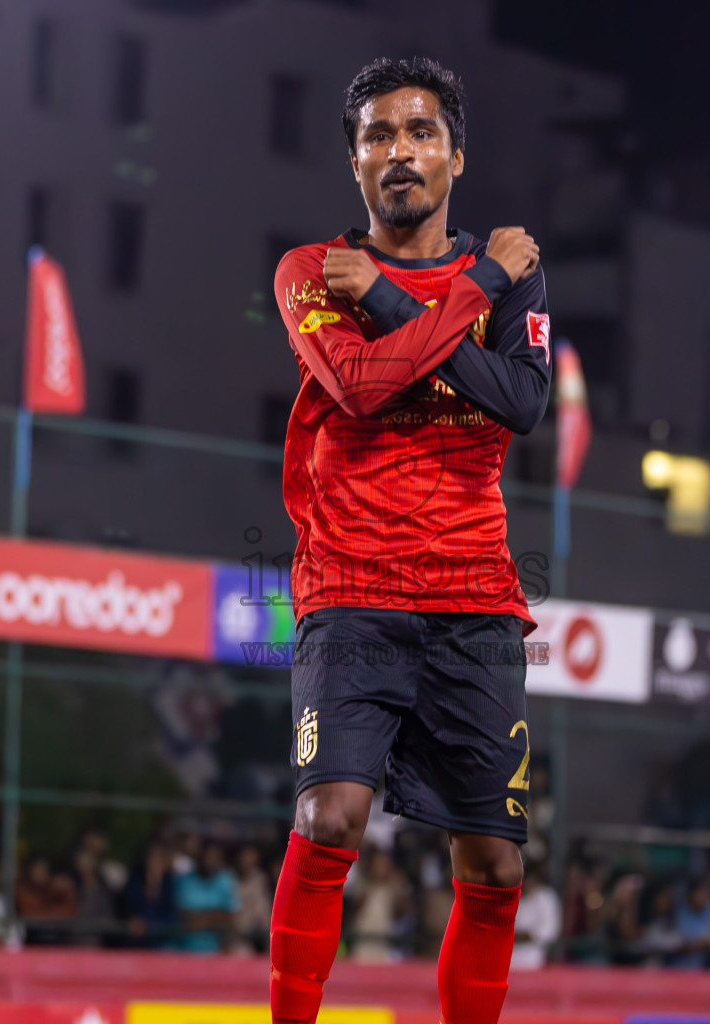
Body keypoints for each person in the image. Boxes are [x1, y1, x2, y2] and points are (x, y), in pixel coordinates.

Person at [269, 56, 548, 1024]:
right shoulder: (311, 269)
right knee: (329, 816)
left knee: (497, 864)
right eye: (378, 135)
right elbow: (357, 386)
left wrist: (411, 300)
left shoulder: (505, 272)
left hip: (475, 593)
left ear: (455, 156)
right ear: (354, 163)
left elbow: (520, 403)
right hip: (349, 581)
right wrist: (478, 286)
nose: (400, 151)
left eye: (419, 131)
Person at [175, 841, 238, 954]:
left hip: (217, 950)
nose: (209, 861)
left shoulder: (225, 880)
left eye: (214, 857)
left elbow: (230, 918)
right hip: (185, 950)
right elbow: (185, 919)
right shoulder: (185, 881)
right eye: (207, 856)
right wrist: (217, 916)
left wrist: (200, 919)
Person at [511, 862, 561, 971]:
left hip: (532, 964)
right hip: (503, 965)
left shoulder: (546, 897)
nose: (524, 882)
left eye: (527, 877)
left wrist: (514, 936)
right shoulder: (506, 895)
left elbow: (548, 932)